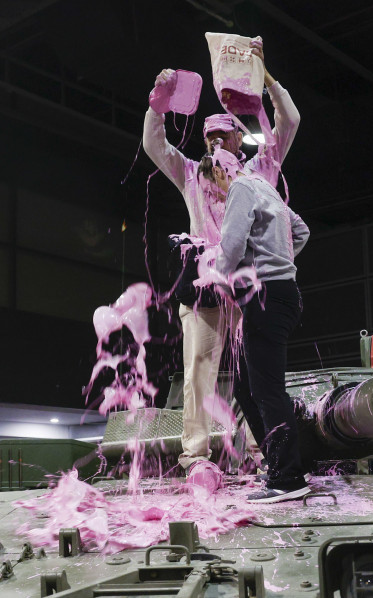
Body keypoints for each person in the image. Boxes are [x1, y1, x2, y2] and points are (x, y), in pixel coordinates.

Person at [142, 43, 300, 491]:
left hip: (251, 288)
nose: (214, 142)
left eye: (222, 135)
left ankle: (259, 451)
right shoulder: (192, 174)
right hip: (207, 285)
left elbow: (288, 123)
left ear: (237, 138)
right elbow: (155, 145)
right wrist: (160, 100)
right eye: (208, 136)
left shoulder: (260, 170)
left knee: (259, 373)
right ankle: (196, 456)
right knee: (198, 367)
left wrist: (266, 80)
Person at [201, 146, 310, 504]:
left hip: (266, 297)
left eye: (212, 187)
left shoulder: (240, 187)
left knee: (267, 390)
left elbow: (230, 246)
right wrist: (278, 260)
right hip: (281, 295)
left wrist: (212, 276)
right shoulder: (267, 189)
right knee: (247, 387)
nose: (215, 196)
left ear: (218, 172)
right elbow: (301, 230)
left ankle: (288, 477)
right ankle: (277, 463)